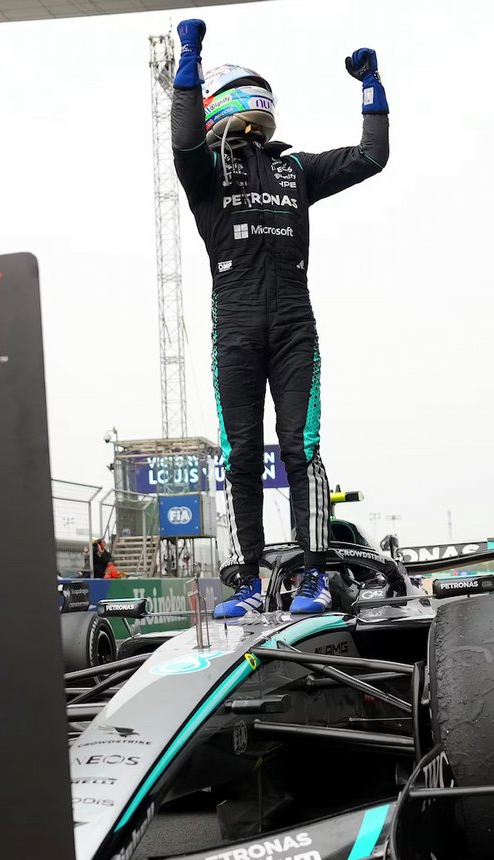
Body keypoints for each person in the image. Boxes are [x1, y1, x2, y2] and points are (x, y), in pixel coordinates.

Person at [171, 19, 389, 617]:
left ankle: (314, 579)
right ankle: (247, 582)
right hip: (235, 330)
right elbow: (185, 137)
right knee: (241, 454)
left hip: (296, 328)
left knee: (302, 451)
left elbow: (372, 157)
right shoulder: (205, 173)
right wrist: (188, 59)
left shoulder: (297, 168)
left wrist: (372, 88)